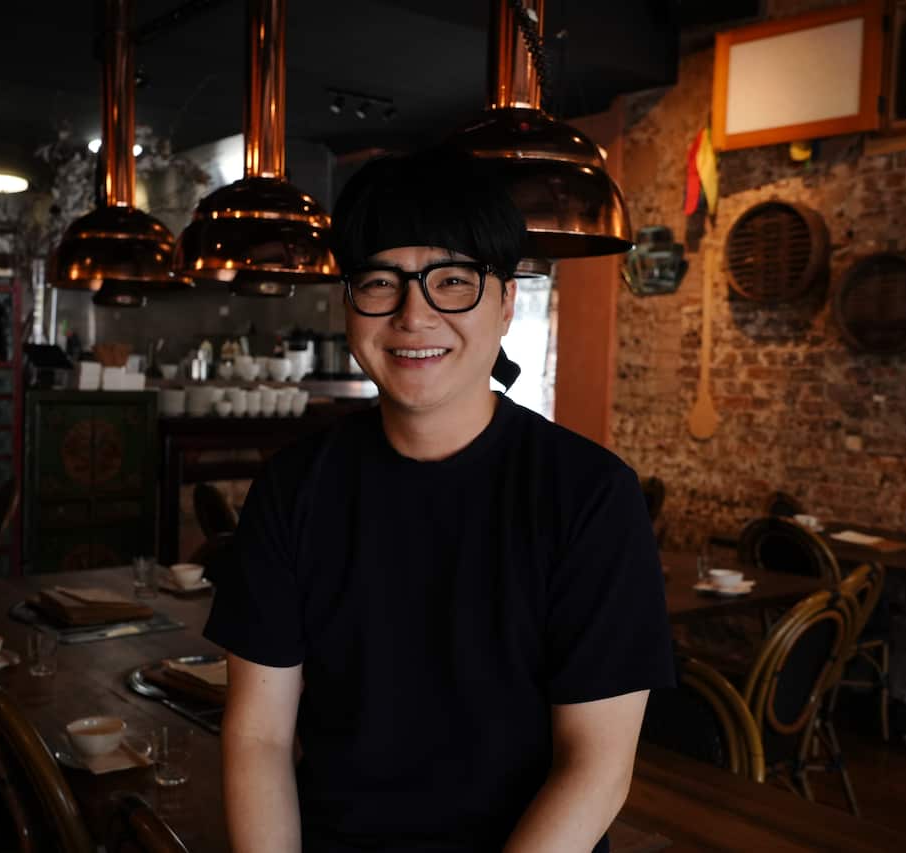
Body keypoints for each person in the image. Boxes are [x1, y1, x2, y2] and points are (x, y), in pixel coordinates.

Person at [204, 146, 674, 853]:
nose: (413, 315)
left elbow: (596, 766)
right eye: (381, 282)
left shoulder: (590, 496)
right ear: (349, 304)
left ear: (507, 300)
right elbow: (259, 734)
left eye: (452, 281)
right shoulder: (295, 486)